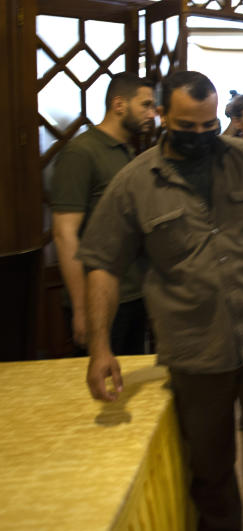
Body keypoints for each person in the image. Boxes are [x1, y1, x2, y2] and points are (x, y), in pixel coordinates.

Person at [79, 71, 243, 531]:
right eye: (186, 127)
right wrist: (99, 347)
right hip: (196, 352)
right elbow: (103, 265)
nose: (199, 136)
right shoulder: (134, 182)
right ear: (162, 117)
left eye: (208, 126)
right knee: (210, 472)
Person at [51, 72, 156, 355]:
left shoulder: (128, 152)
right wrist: (82, 307)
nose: (152, 113)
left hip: (133, 294)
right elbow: (65, 234)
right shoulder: (81, 153)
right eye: (145, 105)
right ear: (119, 105)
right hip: (101, 300)